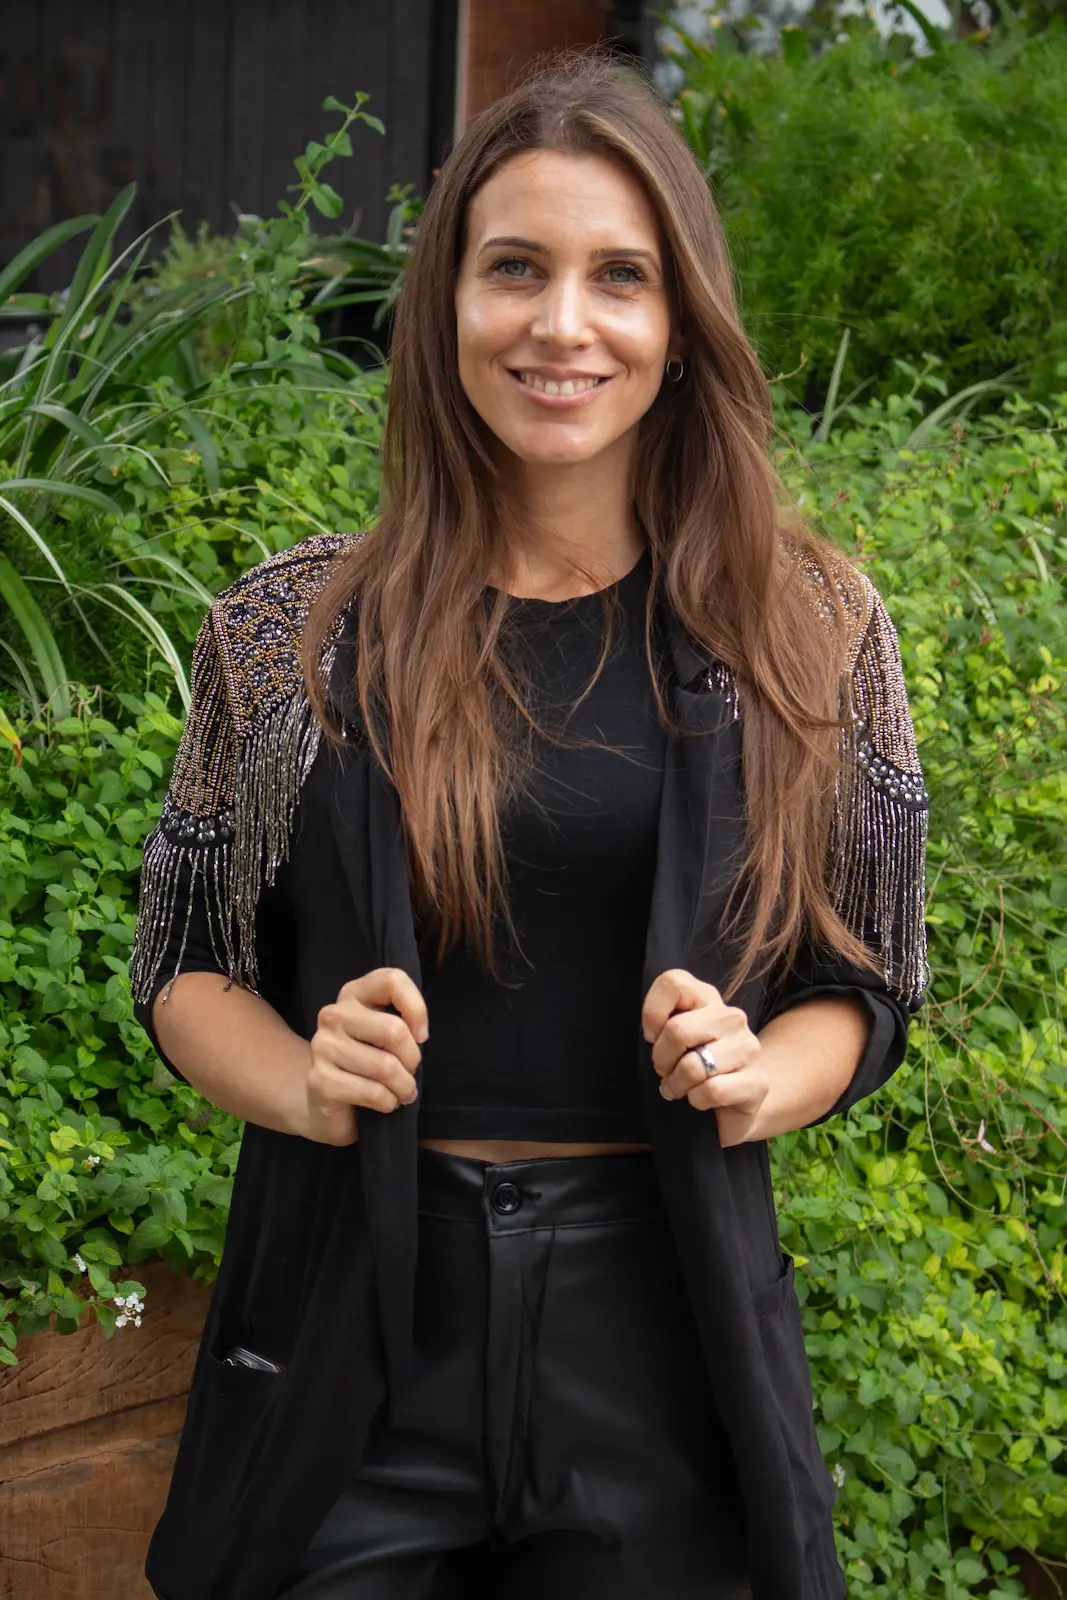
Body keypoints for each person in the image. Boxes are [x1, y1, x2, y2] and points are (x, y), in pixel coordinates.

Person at [129, 50, 929, 1600]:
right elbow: (184, 962)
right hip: (350, 1317)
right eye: (515, 269)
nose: (562, 324)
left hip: (662, 1327)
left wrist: (767, 1076)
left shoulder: (808, 626)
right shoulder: (289, 631)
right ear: (445, 307)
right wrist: (300, 1079)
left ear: (681, 325)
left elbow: (870, 979)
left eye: (618, 277)